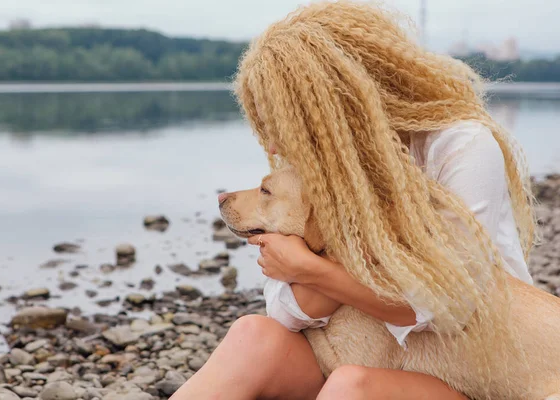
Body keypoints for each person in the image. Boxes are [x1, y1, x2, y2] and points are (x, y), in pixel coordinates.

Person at [172, 1, 535, 399]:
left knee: (351, 387)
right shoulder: (326, 166)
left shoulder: (461, 146)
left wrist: (315, 269)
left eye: (283, 126)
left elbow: (453, 306)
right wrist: (307, 268)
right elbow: (282, 311)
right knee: (251, 334)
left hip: (473, 374)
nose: (274, 144)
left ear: (337, 108)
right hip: (370, 355)